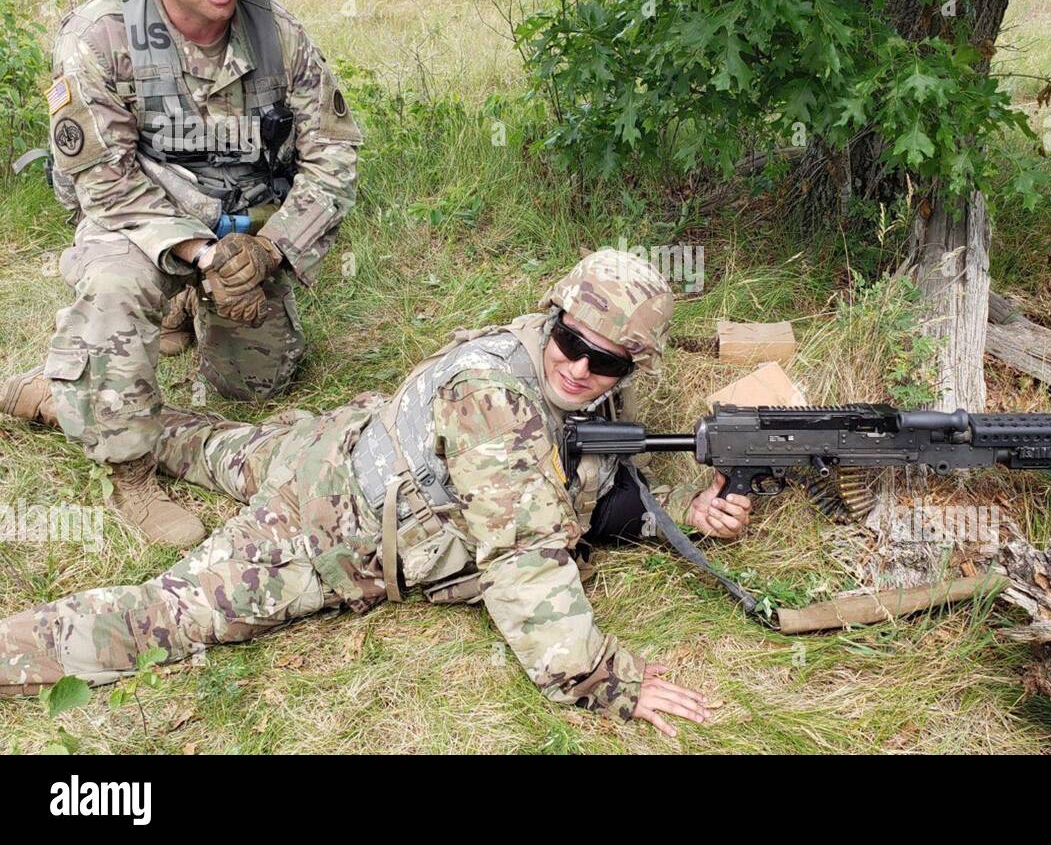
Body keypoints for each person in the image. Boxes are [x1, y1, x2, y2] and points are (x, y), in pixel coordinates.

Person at [0, 250, 754, 736]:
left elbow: (590, 480)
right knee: (166, 618)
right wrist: (610, 681)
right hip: (319, 532)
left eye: (607, 361)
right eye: (572, 342)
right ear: (552, 319)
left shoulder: (574, 387)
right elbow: (526, 565)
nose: (581, 368)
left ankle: (50, 401)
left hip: (341, 442)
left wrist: (675, 516)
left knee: (199, 441)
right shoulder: (499, 403)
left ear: (633, 367)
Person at [2, 0, 362, 548]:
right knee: (112, 286)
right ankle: (126, 464)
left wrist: (268, 250)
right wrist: (201, 253)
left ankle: (178, 316)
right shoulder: (99, 39)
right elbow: (103, 186)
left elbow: (335, 156)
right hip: (137, 225)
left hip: (244, 236)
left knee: (255, 386)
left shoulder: (275, 34)